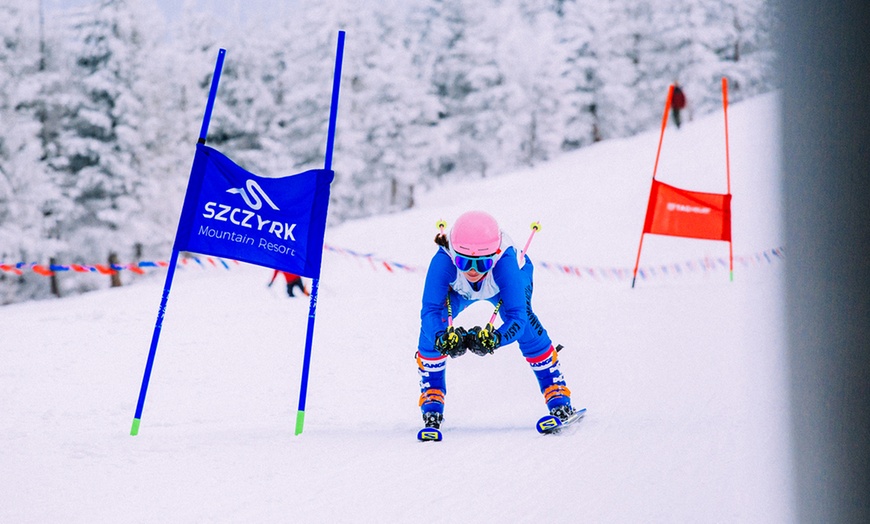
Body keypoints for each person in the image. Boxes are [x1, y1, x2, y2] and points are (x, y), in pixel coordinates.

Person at [415, 210, 575, 431]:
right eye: (463, 262)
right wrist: (441, 337)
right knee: (433, 328)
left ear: (495, 254)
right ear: (453, 255)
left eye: (481, 264)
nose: (472, 271)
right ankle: (432, 394)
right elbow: (429, 311)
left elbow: (516, 318)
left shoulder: (506, 262)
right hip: (459, 291)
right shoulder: (444, 259)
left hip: (503, 285)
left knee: (527, 325)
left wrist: (496, 339)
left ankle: (556, 392)